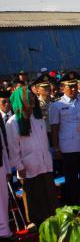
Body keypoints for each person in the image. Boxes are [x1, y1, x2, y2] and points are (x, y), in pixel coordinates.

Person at [7, 86, 57, 227]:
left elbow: (44, 141)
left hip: (44, 162)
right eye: (28, 97)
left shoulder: (38, 118)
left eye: (32, 97)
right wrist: (19, 166)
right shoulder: (12, 123)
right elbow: (13, 148)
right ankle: (35, 222)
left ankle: (52, 217)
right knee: (32, 195)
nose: (32, 99)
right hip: (27, 165)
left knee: (48, 192)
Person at [49, 75, 80, 205]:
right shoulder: (57, 105)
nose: (73, 89)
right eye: (69, 87)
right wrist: (57, 147)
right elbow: (54, 128)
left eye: (75, 86)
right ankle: (75, 205)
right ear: (62, 88)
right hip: (68, 147)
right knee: (72, 179)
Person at [0, 98, 11, 239]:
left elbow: (2, 143)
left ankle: (4, 231)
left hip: (0, 165)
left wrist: (8, 167)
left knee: (3, 198)